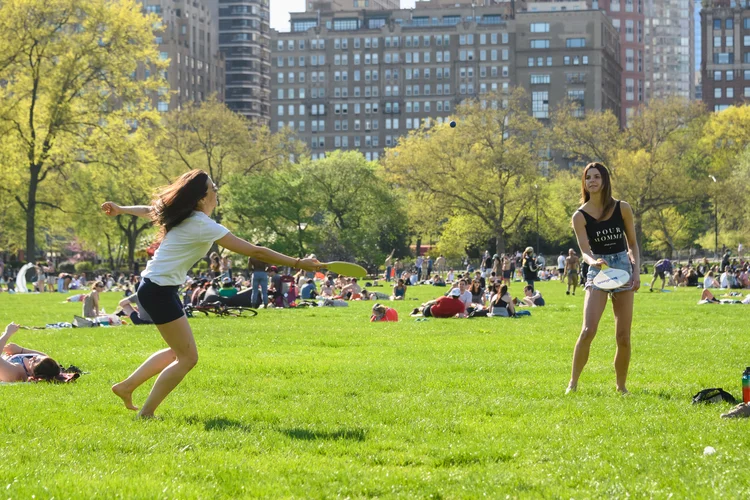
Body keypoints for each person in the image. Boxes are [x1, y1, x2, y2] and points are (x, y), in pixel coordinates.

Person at [102, 169, 319, 418]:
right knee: (187, 358)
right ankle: (146, 413)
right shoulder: (201, 224)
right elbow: (255, 251)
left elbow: (150, 210)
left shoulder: (183, 215)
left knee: (178, 351)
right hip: (158, 290)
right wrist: (298, 262)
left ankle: (126, 386)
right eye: (213, 188)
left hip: (158, 287)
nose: (216, 192)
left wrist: (121, 209)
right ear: (201, 197)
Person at [567, 162, 640, 395]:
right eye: (588, 178)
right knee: (588, 330)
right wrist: (593, 262)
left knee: (623, 336)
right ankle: (573, 384)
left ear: (605, 180)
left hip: (623, 268)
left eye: (597, 177)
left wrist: (636, 271)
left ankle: (621, 387)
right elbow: (585, 251)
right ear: (584, 183)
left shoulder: (622, 208)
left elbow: (632, 244)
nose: (592, 181)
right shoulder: (580, 216)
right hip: (598, 269)